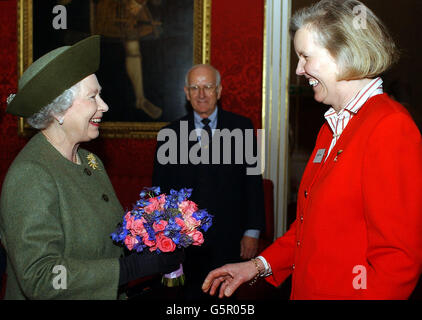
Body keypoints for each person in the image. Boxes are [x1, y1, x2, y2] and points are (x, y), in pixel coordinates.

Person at [202, 0, 422, 300]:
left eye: (305, 56)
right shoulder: (330, 127)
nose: (299, 69)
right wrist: (257, 265)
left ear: (344, 53)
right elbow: (311, 229)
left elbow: (396, 262)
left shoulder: (389, 126)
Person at [0, 35, 182, 299]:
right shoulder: (31, 176)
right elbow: (41, 278)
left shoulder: (89, 161)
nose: (104, 106)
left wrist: (152, 243)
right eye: (93, 97)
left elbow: (107, 239)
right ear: (58, 111)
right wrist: (127, 269)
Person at [152, 64, 265, 300]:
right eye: (195, 87)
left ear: (219, 90)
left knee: (225, 300)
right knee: (187, 300)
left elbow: (253, 182)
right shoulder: (169, 134)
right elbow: (160, 191)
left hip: (230, 238)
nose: (201, 94)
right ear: (186, 92)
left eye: (208, 87)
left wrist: (252, 231)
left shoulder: (242, 127)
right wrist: (165, 235)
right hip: (185, 244)